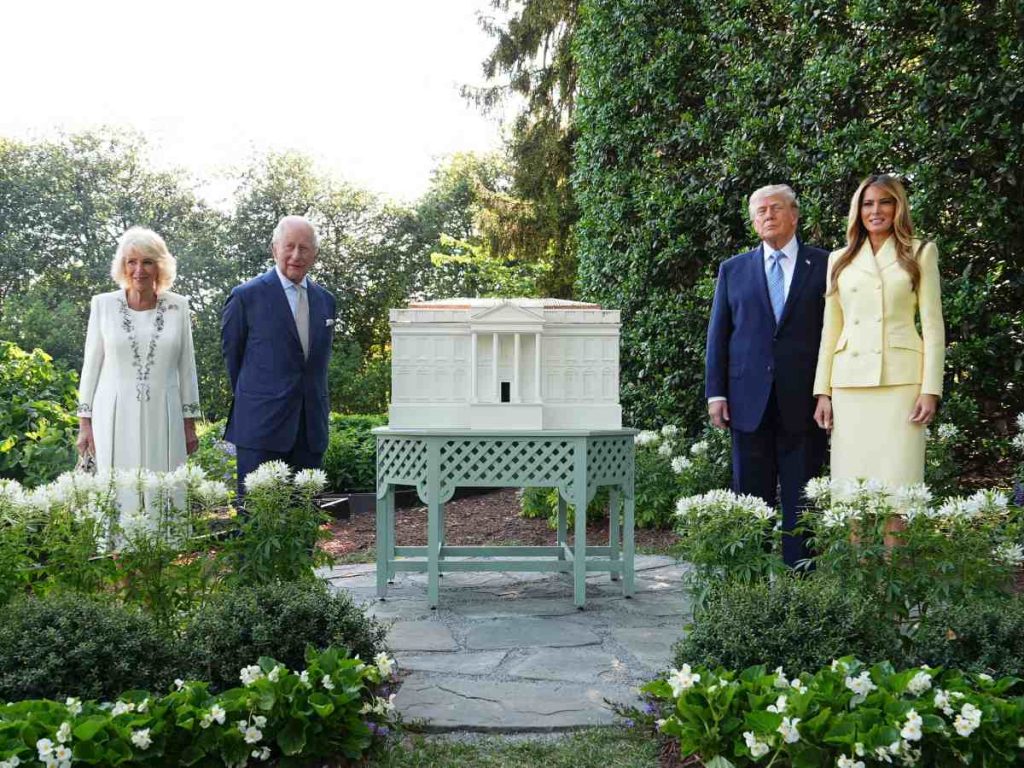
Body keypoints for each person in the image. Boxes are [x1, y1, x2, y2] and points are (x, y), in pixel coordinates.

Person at [705, 184, 829, 567]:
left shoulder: (826, 265)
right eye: (760, 211)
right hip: (747, 402)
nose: (768, 215)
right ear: (753, 220)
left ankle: (800, 582)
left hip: (804, 400)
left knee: (802, 498)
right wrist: (716, 393)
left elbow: (835, 332)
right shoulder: (733, 269)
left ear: (795, 214)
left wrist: (828, 392)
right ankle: (751, 582)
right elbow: (718, 335)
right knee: (751, 499)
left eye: (775, 208)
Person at [813, 174, 944, 490]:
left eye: (885, 202)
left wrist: (931, 389)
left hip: (901, 383)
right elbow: (831, 330)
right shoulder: (838, 260)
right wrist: (823, 392)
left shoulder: (921, 252)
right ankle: (856, 543)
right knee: (852, 491)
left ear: (898, 207)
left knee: (899, 485)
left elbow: (932, 325)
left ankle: (895, 543)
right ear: (858, 211)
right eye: (867, 203)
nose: (876, 211)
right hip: (849, 383)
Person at [221, 215, 336, 500]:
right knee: (258, 520)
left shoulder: (326, 301)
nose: (296, 255)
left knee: (305, 519)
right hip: (261, 429)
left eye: (304, 248)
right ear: (275, 249)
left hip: (310, 432)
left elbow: (316, 365)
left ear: (315, 254)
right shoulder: (246, 297)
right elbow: (234, 361)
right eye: (289, 246)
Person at [77, 227, 201, 485]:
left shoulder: (178, 306)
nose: (139, 270)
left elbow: (187, 367)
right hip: (112, 413)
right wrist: (84, 424)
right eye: (131, 262)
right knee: (116, 488)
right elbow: (91, 367)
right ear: (122, 266)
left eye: (147, 262)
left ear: (160, 267)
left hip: (164, 414)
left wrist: (189, 425)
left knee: (164, 488)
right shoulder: (103, 305)